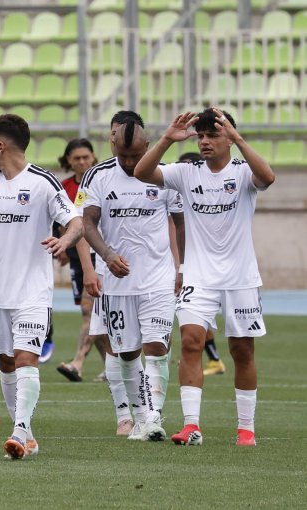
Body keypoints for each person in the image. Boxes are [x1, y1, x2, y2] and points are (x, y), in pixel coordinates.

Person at [135, 108, 274, 447]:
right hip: (199, 276)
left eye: (213, 135)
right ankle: (191, 425)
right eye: (201, 136)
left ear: (229, 137)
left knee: (242, 350)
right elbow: (142, 173)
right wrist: (168, 138)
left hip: (241, 278)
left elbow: (268, 178)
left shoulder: (243, 173)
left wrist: (240, 139)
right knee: (192, 341)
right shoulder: (186, 172)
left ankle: (246, 429)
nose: (205, 141)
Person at [0, 113, 81, 459]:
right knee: (5, 362)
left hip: (32, 291)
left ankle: (19, 432)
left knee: (25, 358)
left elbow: (76, 221)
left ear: (1, 145)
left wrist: (65, 240)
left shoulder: (42, 182)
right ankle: (28, 434)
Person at [78, 119, 184, 442]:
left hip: (158, 278)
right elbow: (87, 223)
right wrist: (107, 256)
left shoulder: (164, 175)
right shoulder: (97, 176)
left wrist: (182, 268)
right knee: (126, 353)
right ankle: (139, 418)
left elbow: (180, 225)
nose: (128, 162)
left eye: (135, 155)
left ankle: (153, 418)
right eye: (123, 156)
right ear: (112, 145)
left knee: (157, 347)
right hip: (116, 283)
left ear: (147, 146)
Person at [54, 138, 109, 383]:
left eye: (86, 157)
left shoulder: (103, 181)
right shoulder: (64, 187)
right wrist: (63, 246)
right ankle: (112, 366)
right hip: (77, 257)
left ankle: (78, 362)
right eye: (76, 158)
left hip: (100, 256)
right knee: (93, 314)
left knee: (90, 311)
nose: (82, 162)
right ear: (68, 161)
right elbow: (59, 221)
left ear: (94, 156)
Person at [177, 151, 225, 376]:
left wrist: (182, 267)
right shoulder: (171, 195)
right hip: (178, 264)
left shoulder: (207, 198)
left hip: (201, 268)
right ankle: (212, 359)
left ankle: (212, 359)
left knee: (199, 316)